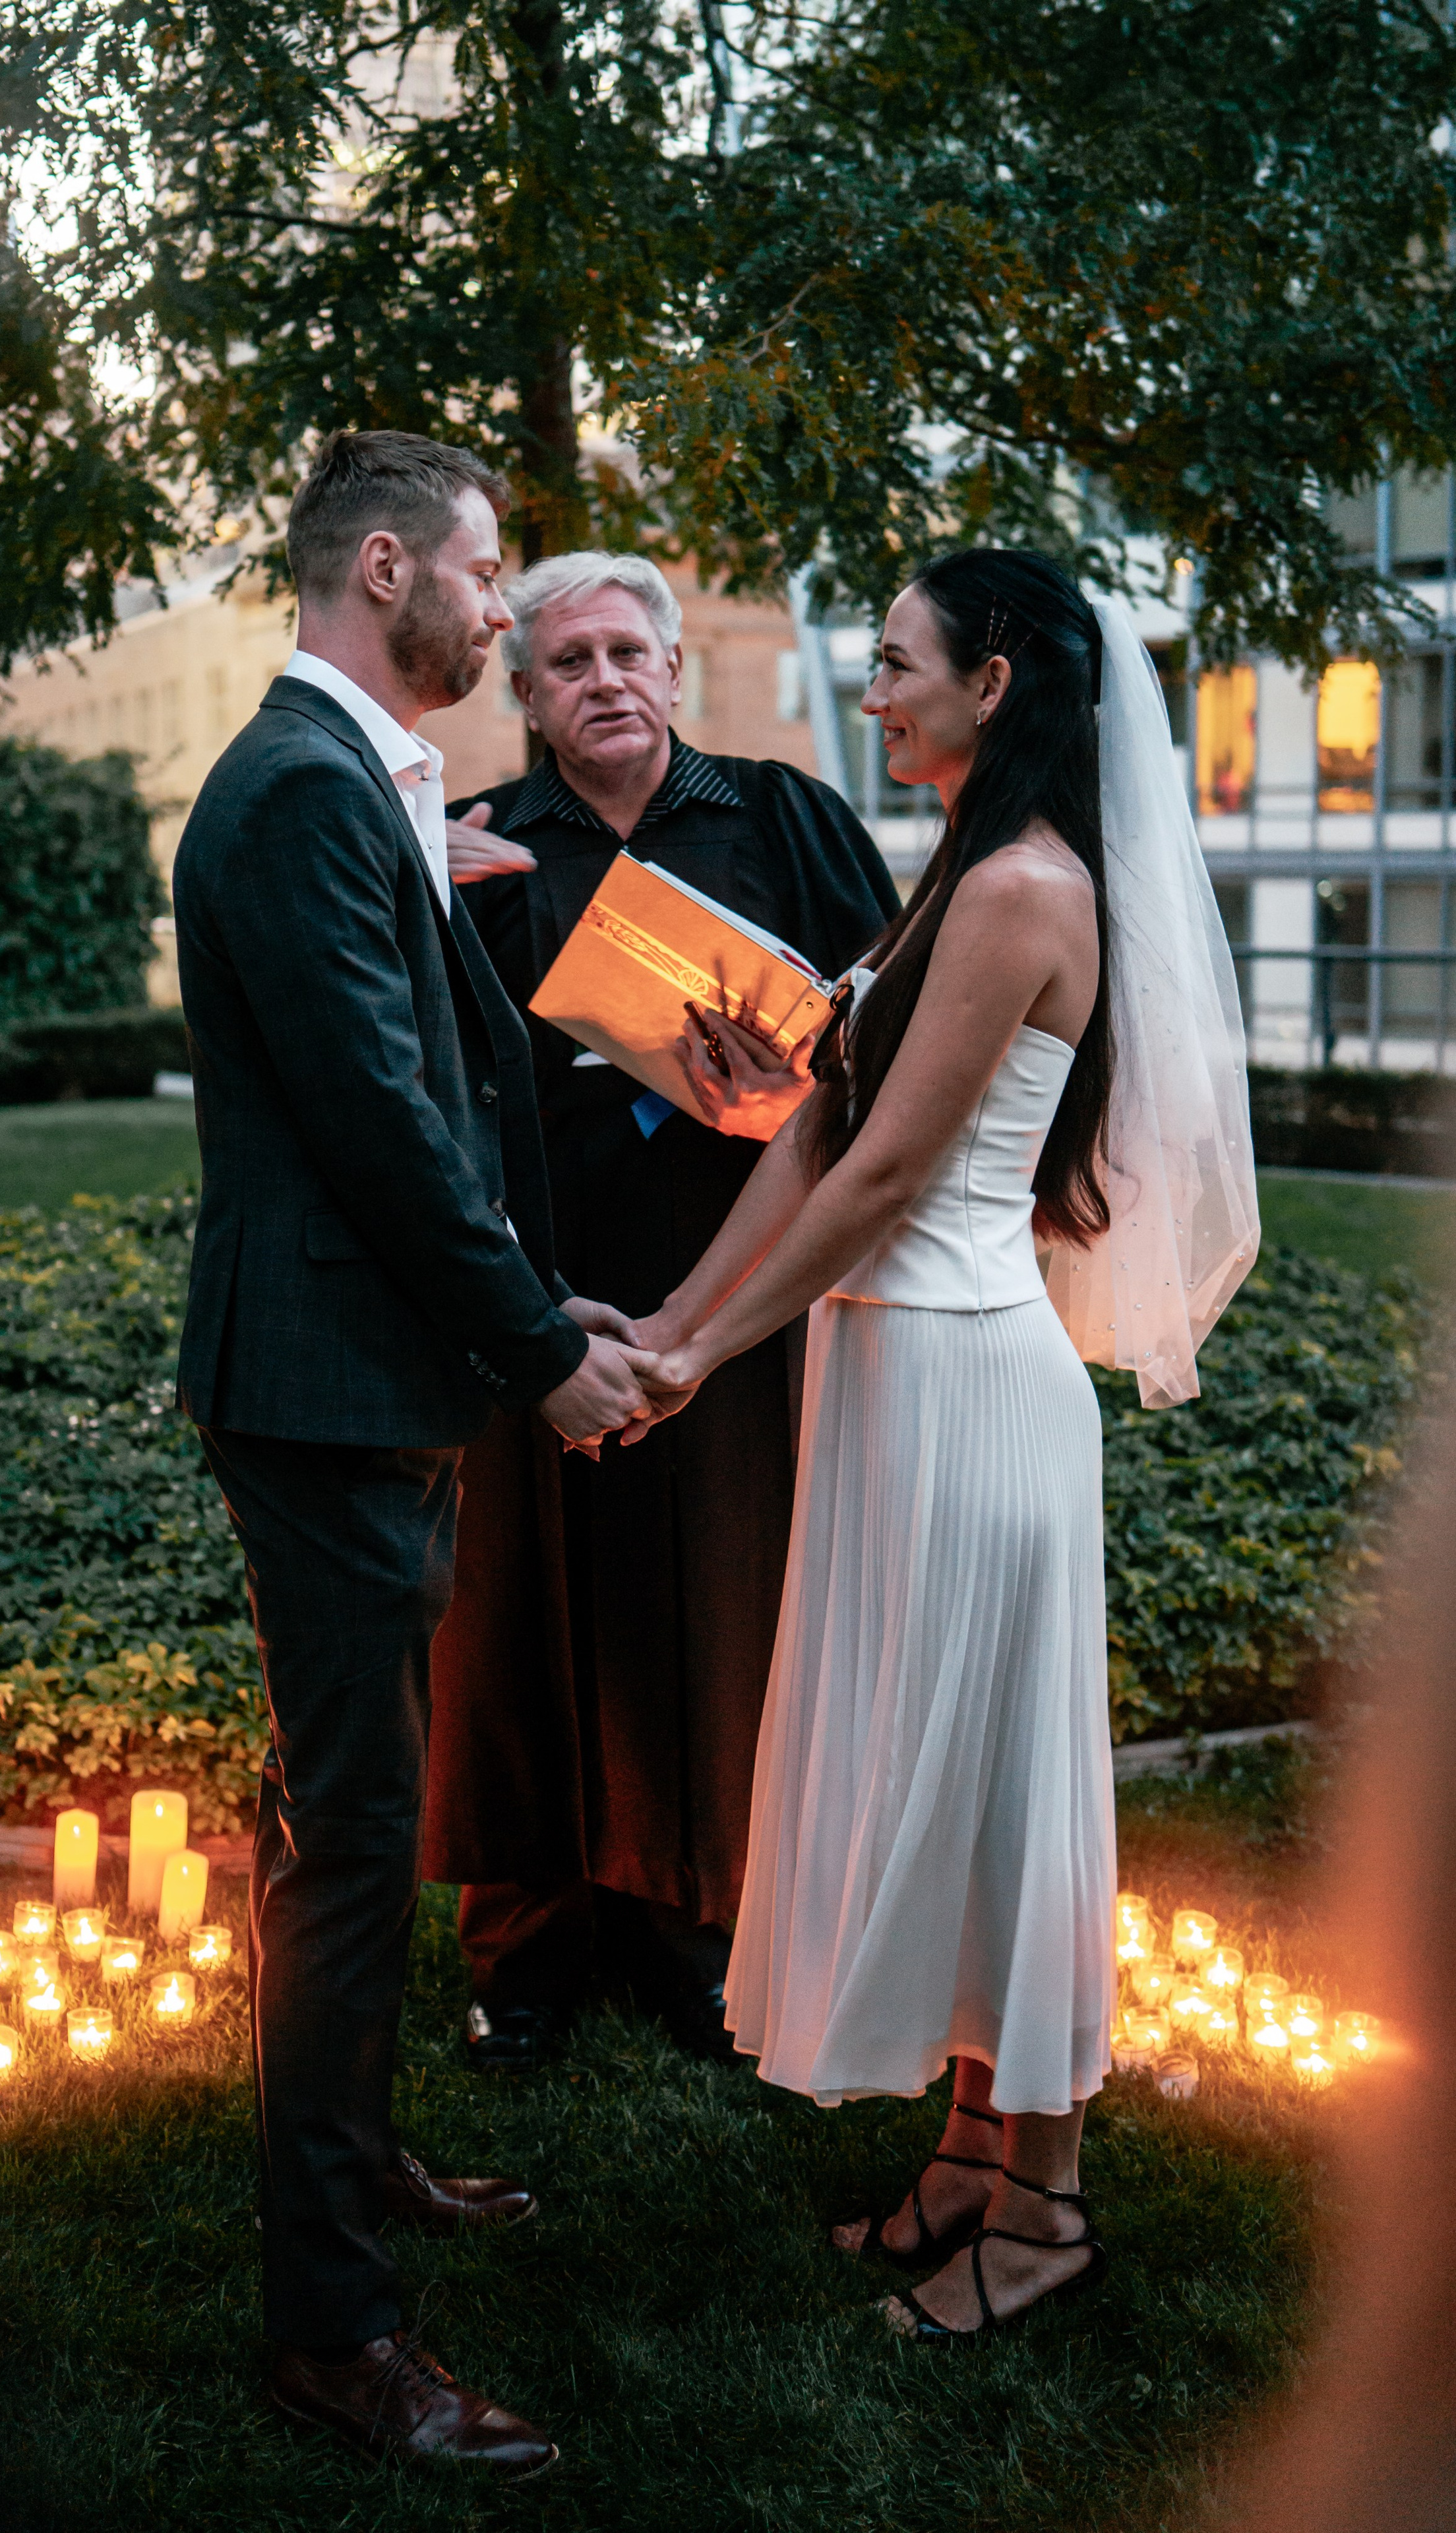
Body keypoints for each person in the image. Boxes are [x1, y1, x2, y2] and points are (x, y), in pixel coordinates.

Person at [626, 551, 1258, 2336]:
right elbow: (815, 1129)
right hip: (894, 1378)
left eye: (898, 664)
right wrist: (674, 1324)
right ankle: (973, 2161)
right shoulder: (955, 881)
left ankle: (1046, 2212)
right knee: (954, 1763)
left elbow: (895, 1177)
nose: (876, 690)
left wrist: (703, 1358)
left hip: (972, 1383)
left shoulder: (1021, 891)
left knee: (1005, 1794)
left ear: (993, 683)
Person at [172, 431, 652, 2473]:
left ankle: (358, 2168)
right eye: (486, 576)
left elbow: (446, 1096)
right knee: (356, 1852)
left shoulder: (360, 786)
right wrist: (539, 1348)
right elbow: (379, 1127)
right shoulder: (292, 793)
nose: (507, 611)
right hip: (329, 1388)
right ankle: (332, 2331)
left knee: (362, 1831)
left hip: (374, 1379)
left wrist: (557, 1307)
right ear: (386, 570)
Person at [419, 550, 899, 2067]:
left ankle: (704, 1930)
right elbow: (422, 1079)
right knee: (522, 1608)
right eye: (567, 664)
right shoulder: (481, 844)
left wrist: (791, 1054)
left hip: (741, 1287)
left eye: (628, 652)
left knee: (724, 1592)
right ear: (528, 695)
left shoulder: (781, 815)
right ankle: (527, 1947)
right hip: (541, 1286)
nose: (603, 681)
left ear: (676, 669)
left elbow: (886, 1023)